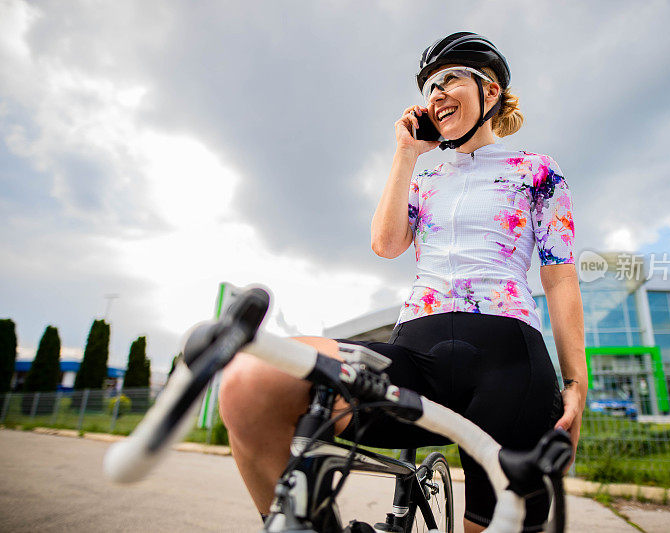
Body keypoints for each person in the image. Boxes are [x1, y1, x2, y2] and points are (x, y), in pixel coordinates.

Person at [219, 32, 587, 533]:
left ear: (492, 91)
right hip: (417, 353)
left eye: (450, 78)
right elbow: (386, 243)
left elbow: (561, 280)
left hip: (509, 360)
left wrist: (576, 383)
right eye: (429, 86)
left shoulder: (537, 169)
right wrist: (406, 153)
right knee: (252, 381)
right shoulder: (423, 175)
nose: (435, 93)